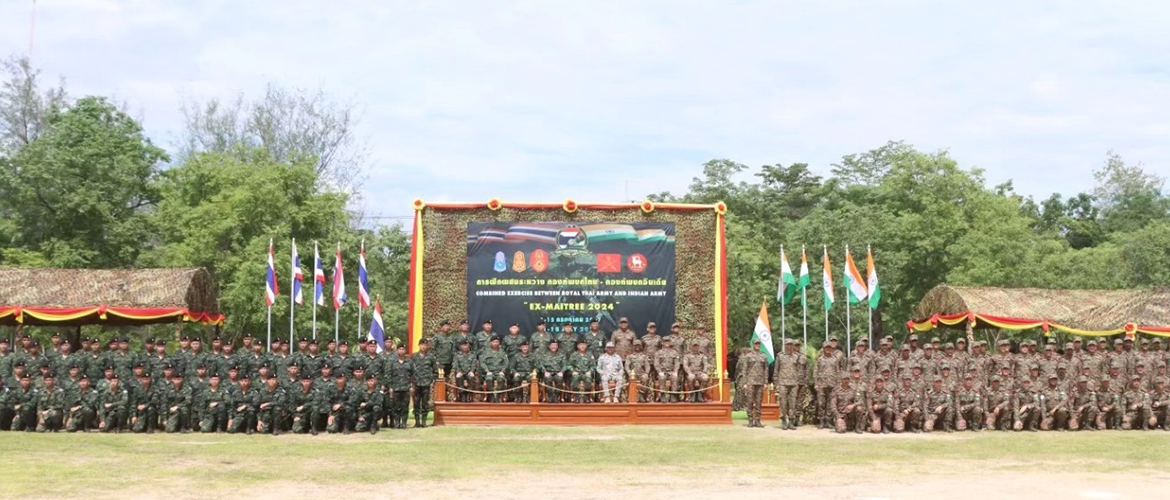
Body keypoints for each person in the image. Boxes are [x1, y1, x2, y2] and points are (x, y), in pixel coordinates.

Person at [774, 339, 803, 430]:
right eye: (788, 344)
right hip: (783, 382)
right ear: (785, 345)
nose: (789, 346)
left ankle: (791, 421)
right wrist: (776, 383)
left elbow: (799, 370)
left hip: (794, 383)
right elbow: (776, 370)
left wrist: (798, 381)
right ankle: (783, 421)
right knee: (783, 402)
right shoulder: (780, 356)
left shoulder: (796, 356)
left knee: (793, 403)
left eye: (791, 344)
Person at [741, 339, 768, 428]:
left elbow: (766, 370)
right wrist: (744, 382)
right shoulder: (748, 356)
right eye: (756, 344)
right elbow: (744, 370)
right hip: (750, 381)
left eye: (759, 344)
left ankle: (757, 420)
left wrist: (765, 382)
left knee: (759, 401)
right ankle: (750, 419)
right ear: (753, 344)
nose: (757, 345)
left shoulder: (764, 356)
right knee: (749, 401)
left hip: (760, 382)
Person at [385, 345, 413, 428]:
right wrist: (390, 387)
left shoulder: (409, 362)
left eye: (403, 349)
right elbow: (388, 375)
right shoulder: (392, 362)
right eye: (400, 349)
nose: (401, 351)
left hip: (406, 388)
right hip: (395, 388)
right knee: (396, 407)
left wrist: (412, 385)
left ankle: (404, 423)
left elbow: (414, 374)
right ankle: (397, 423)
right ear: (397, 350)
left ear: (405, 350)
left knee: (405, 407)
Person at [412, 339, 439, 426]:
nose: (423, 347)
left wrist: (432, 381)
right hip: (416, 383)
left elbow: (435, 371)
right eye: (422, 345)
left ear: (427, 346)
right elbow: (410, 370)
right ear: (419, 345)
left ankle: (424, 421)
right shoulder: (414, 356)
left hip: (426, 384)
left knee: (425, 403)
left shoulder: (431, 357)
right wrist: (412, 381)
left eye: (425, 345)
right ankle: (417, 421)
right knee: (416, 403)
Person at [653, 337, 681, 403]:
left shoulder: (674, 352)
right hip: (662, 372)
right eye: (665, 341)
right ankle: (663, 394)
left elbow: (677, 363)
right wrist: (659, 372)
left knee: (675, 377)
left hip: (671, 371)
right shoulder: (658, 353)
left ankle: (673, 395)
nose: (667, 343)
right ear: (662, 343)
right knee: (662, 378)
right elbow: (656, 363)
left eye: (668, 341)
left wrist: (675, 371)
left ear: (670, 342)